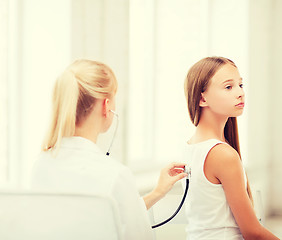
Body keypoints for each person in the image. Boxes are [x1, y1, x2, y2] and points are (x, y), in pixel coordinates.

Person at [30, 59, 187, 239]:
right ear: (106, 106)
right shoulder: (115, 174)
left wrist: (157, 193)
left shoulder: (41, 165)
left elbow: (97, 219)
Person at [183, 56, 279, 240]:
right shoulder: (222, 154)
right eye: (228, 87)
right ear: (202, 98)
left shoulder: (191, 145)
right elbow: (253, 233)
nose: (240, 93)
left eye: (240, 85)